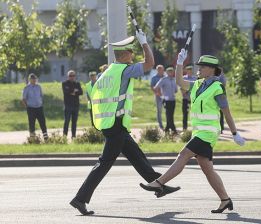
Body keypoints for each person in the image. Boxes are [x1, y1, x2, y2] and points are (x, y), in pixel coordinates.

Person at [69, 32, 179, 216]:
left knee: (136, 155)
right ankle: (80, 199)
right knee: (104, 163)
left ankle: (158, 185)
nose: (133, 54)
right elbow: (149, 63)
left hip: (112, 123)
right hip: (115, 124)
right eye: (131, 51)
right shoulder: (123, 70)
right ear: (125, 54)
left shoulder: (108, 72)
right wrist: (145, 43)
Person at [140, 50, 246, 213]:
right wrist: (179, 63)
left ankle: (159, 183)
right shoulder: (197, 84)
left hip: (208, 133)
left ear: (211, 69)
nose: (199, 69)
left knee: (183, 154)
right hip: (199, 132)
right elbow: (179, 81)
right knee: (208, 170)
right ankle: (225, 200)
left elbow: (226, 111)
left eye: (202, 66)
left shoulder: (218, 87)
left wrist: (234, 133)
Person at [22, 73, 48, 140]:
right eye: (32, 79)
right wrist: (27, 107)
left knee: (42, 122)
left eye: (34, 79)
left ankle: (46, 138)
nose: (34, 80)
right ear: (29, 79)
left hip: (39, 108)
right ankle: (32, 139)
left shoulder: (38, 87)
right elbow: (24, 99)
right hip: (31, 108)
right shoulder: (26, 88)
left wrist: (41, 103)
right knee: (32, 124)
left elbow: (41, 96)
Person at [154, 65, 178, 134]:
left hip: (173, 100)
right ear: (166, 72)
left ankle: (167, 129)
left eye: (172, 71)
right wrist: (160, 95)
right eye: (169, 71)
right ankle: (173, 129)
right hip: (166, 100)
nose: (171, 72)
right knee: (168, 115)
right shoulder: (163, 79)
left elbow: (176, 90)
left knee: (171, 115)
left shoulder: (174, 80)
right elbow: (156, 87)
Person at [62, 70, 83, 138]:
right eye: (70, 76)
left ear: (75, 76)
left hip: (76, 105)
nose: (72, 77)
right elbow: (66, 92)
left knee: (74, 122)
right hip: (68, 105)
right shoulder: (64, 83)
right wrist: (74, 91)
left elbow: (81, 92)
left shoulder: (77, 83)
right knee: (67, 121)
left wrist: (73, 92)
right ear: (68, 76)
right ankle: (64, 136)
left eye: (73, 75)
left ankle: (73, 136)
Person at [181, 64, 197, 131]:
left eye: (191, 70)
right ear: (186, 71)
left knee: (195, 114)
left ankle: (195, 128)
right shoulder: (184, 78)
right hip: (185, 98)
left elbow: (196, 88)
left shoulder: (195, 78)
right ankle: (185, 129)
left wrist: (187, 88)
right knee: (185, 114)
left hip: (193, 99)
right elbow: (182, 89)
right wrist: (189, 88)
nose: (190, 71)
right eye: (188, 70)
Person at [151, 64, 165, 129]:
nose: (160, 71)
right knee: (159, 111)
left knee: (167, 111)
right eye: (159, 70)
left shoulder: (165, 77)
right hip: (158, 97)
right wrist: (157, 93)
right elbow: (152, 87)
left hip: (166, 97)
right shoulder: (154, 78)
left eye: (161, 70)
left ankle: (169, 124)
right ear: (157, 70)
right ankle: (160, 125)